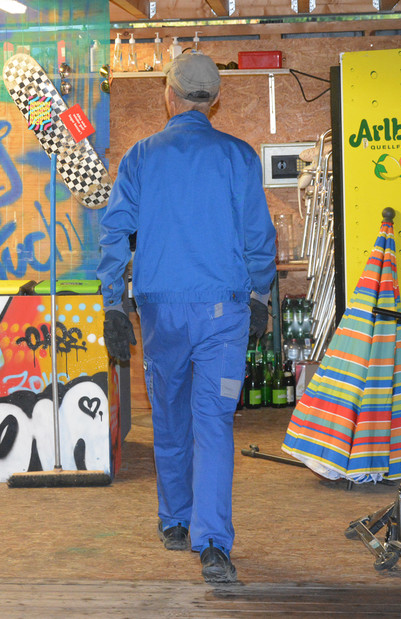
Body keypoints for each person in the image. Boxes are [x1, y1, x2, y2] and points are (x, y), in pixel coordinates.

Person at [97, 51, 275, 584]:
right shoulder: (240, 157)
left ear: (169, 96)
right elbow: (258, 236)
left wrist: (113, 302)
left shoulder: (141, 157)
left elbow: (114, 231)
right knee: (214, 423)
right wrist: (261, 294)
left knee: (170, 416)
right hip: (223, 311)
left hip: (161, 312)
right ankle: (213, 543)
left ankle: (175, 521)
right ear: (214, 100)